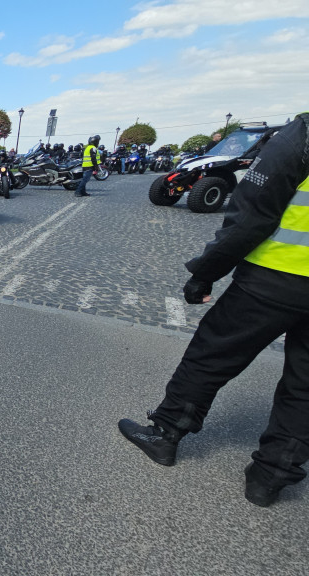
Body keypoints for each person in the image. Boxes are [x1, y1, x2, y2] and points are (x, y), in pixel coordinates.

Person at [118, 113, 309, 508]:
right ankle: (270, 479)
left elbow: (252, 215)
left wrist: (205, 273)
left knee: (210, 355)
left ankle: (166, 435)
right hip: (281, 278)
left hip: (277, 277)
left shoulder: (302, 135)